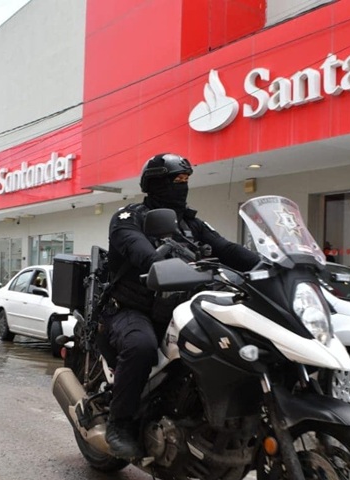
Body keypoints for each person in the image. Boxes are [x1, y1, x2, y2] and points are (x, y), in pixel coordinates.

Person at [102, 153, 259, 459]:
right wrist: (160, 261)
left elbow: (227, 249)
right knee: (140, 346)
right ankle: (119, 424)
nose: (182, 186)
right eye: (176, 180)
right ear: (154, 183)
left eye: (186, 180)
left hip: (178, 309)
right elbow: (141, 252)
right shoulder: (128, 218)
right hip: (132, 309)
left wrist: (270, 266)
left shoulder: (190, 223)